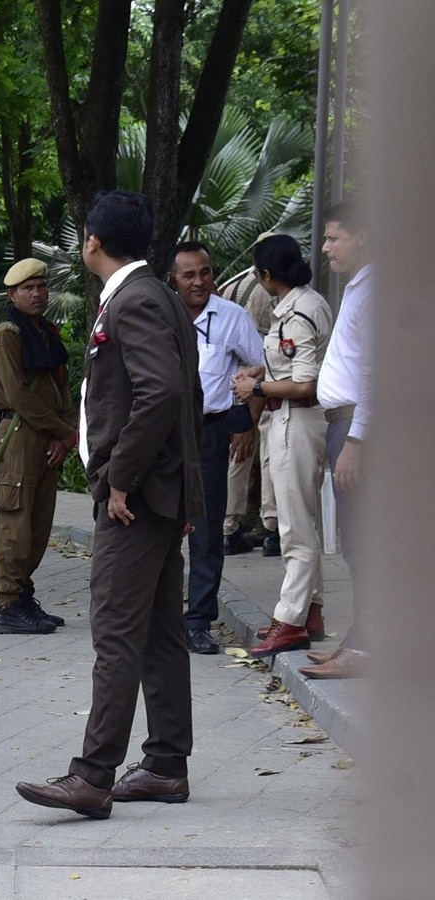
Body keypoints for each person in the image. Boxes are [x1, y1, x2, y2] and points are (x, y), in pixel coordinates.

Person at [16, 190, 202, 819]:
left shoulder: (137, 299)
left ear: (91, 240)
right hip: (160, 489)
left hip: (138, 497)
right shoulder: (157, 295)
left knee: (117, 632)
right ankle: (166, 763)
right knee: (159, 632)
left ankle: (93, 776)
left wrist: (121, 477)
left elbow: (162, 392)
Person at [234, 234, 334, 658]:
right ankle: (310, 611)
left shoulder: (298, 313)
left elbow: (305, 382)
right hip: (294, 417)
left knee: (294, 527)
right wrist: (265, 370)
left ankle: (289, 619)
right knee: (303, 522)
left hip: (297, 417)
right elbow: (291, 363)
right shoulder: (306, 303)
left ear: (266, 275)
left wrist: (255, 385)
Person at [168, 242, 266, 655]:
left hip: (209, 433)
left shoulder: (232, 317)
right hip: (164, 434)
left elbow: (260, 368)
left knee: (206, 531)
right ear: (173, 279)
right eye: (188, 274)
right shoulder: (159, 315)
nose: (198, 281)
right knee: (160, 525)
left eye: (205, 272)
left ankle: (198, 622)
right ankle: (162, 618)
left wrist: (246, 423)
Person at [0, 259, 76, 634]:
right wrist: (62, 431)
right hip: (18, 435)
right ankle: (8, 604)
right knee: (15, 521)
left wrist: (64, 433)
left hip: (46, 436)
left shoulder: (45, 332)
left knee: (39, 522)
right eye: (28, 288)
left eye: (41, 286)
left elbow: (60, 385)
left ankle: (23, 595)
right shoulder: (8, 334)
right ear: (12, 295)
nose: (37, 294)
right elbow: (19, 395)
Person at [301, 201, 372, 679]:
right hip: (343, 424)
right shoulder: (362, 286)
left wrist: (357, 441)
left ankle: (366, 650)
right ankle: (360, 639)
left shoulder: (375, 289)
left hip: (357, 427)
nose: (325, 247)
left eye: (333, 238)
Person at [218, 266, 280, 556]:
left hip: (237, 376)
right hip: (266, 371)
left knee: (237, 455)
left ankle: (229, 527)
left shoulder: (235, 284)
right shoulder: (273, 289)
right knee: (267, 453)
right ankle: (272, 527)